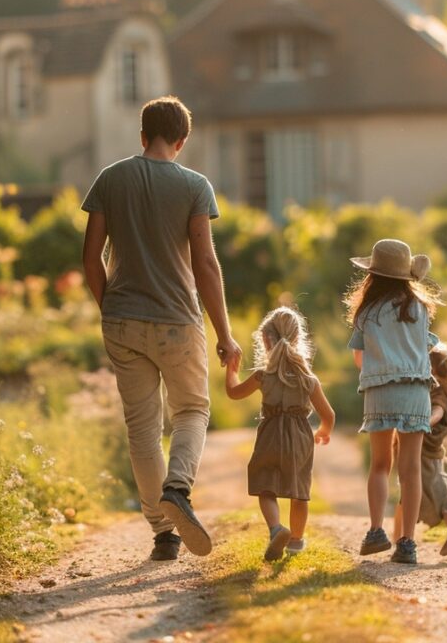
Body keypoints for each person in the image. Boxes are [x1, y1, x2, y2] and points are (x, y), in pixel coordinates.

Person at [81, 96, 243, 562]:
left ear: (142, 135)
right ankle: (179, 488)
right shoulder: (194, 185)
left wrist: (109, 306)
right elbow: (205, 263)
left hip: (122, 320)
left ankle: (163, 534)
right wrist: (226, 334)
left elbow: (91, 258)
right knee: (191, 410)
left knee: (142, 429)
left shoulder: (110, 179)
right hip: (177, 322)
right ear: (182, 140)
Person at [345, 238, 442, 566]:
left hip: (380, 391)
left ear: (372, 275)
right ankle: (408, 543)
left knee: (380, 465)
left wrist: (380, 363)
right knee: (411, 469)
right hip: (416, 391)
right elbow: (425, 348)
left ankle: (375, 532)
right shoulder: (419, 308)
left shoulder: (367, 311)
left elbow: (360, 359)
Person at [225, 307, 336, 561]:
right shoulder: (309, 380)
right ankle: (296, 541)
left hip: (270, 435)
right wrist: (323, 432)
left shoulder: (262, 376)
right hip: (299, 437)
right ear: (298, 339)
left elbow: (234, 393)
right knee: (299, 489)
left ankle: (276, 528)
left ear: (266, 340)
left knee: (266, 485)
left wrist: (231, 369)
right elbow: (328, 415)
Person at [391, 344, 447, 555]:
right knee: (441, 487)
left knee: (413, 491)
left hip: (423, 453)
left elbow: (438, 411)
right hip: (434, 452)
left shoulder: (439, 392)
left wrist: (425, 422)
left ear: (432, 370)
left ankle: (399, 536)